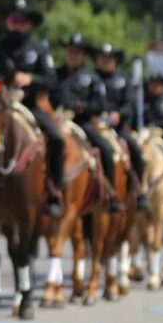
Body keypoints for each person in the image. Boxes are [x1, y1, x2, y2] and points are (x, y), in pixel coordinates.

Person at [0, 0, 63, 218]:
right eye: (13, 20)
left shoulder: (39, 50)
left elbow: (51, 80)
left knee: (57, 138)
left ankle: (54, 190)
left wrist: (30, 78)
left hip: (28, 105)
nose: (17, 24)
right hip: (0, 106)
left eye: (22, 20)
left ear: (29, 24)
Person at [52, 34, 122, 213]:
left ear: (83, 56)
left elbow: (100, 103)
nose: (72, 55)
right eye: (70, 51)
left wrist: (82, 107)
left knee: (106, 148)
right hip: (57, 120)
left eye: (77, 52)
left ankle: (111, 193)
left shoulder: (91, 77)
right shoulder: (56, 75)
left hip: (82, 122)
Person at [94, 42, 148, 211]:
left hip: (118, 127)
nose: (105, 61)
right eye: (102, 58)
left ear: (115, 61)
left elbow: (130, 104)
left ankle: (138, 191)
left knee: (136, 150)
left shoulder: (123, 79)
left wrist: (118, 115)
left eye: (108, 58)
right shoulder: (91, 77)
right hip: (94, 125)